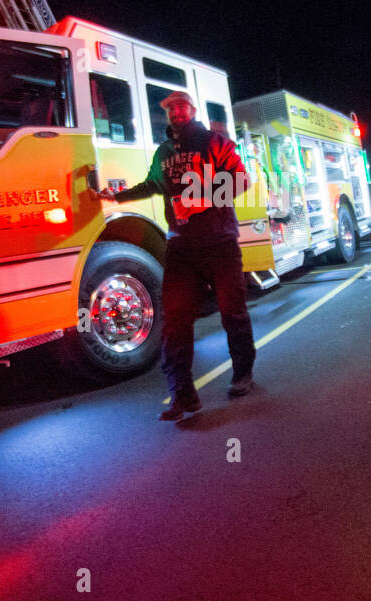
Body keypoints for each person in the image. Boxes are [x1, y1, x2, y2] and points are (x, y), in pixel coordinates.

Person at [94, 90, 256, 419]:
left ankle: (243, 373)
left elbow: (241, 181)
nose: (176, 114)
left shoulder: (214, 142)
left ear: (192, 110)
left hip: (219, 242)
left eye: (181, 107)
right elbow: (153, 185)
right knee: (176, 321)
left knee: (232, 312)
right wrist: (117, 197)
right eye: (170, 110)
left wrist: (200, 198)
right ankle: (182, 394)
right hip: (181, 246)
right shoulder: (164, 151)